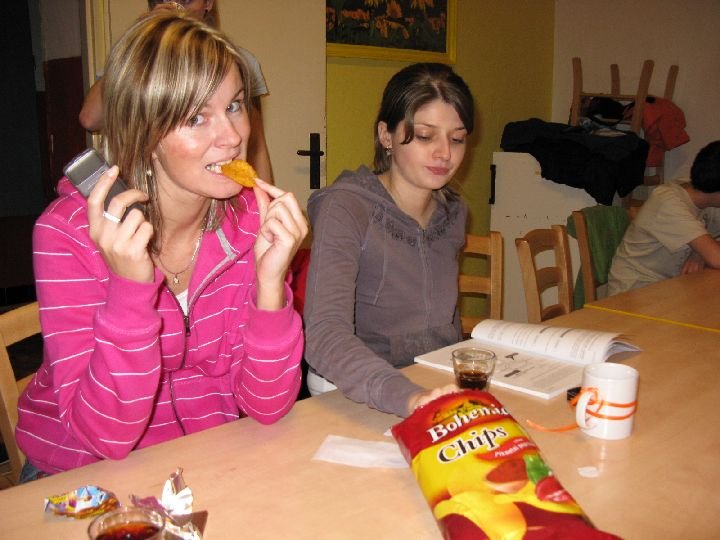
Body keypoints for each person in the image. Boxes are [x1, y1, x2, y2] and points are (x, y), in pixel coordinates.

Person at [16, 11, 307, 480]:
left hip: (205, 460)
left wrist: (271, 287)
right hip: (81, 475)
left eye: (235, 105)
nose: (233, 137)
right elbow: (104, 436)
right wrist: (130, 293)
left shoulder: (252, 224)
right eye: (196, 117)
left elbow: (268, 406)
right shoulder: (67, 234)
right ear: (145, 132)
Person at [303, 63, 475, 417]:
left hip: (428, 376)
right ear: (386, 135)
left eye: (457, 139)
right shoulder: (346, 207)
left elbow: (446, 318)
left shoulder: (454, 212)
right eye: (425, 136)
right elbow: (324, 333)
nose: (445, 153)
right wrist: (408, 397)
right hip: (353, 388)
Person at [78, 0, 274, 183]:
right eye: (195, 118)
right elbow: (89, 119)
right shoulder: (136, 64)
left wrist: (265, 199)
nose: (175, 4)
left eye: (233, 106)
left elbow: (257, 143)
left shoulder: (234, 61)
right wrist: (140, 43)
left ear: (208, 3)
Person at [608, 140, 720, 294]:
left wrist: (700, 253)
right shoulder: (668, 202)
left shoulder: (703, 197)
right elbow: (716, 258)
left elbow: (713, 255)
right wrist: (706, 252)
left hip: (670, 287)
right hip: (633, 292)